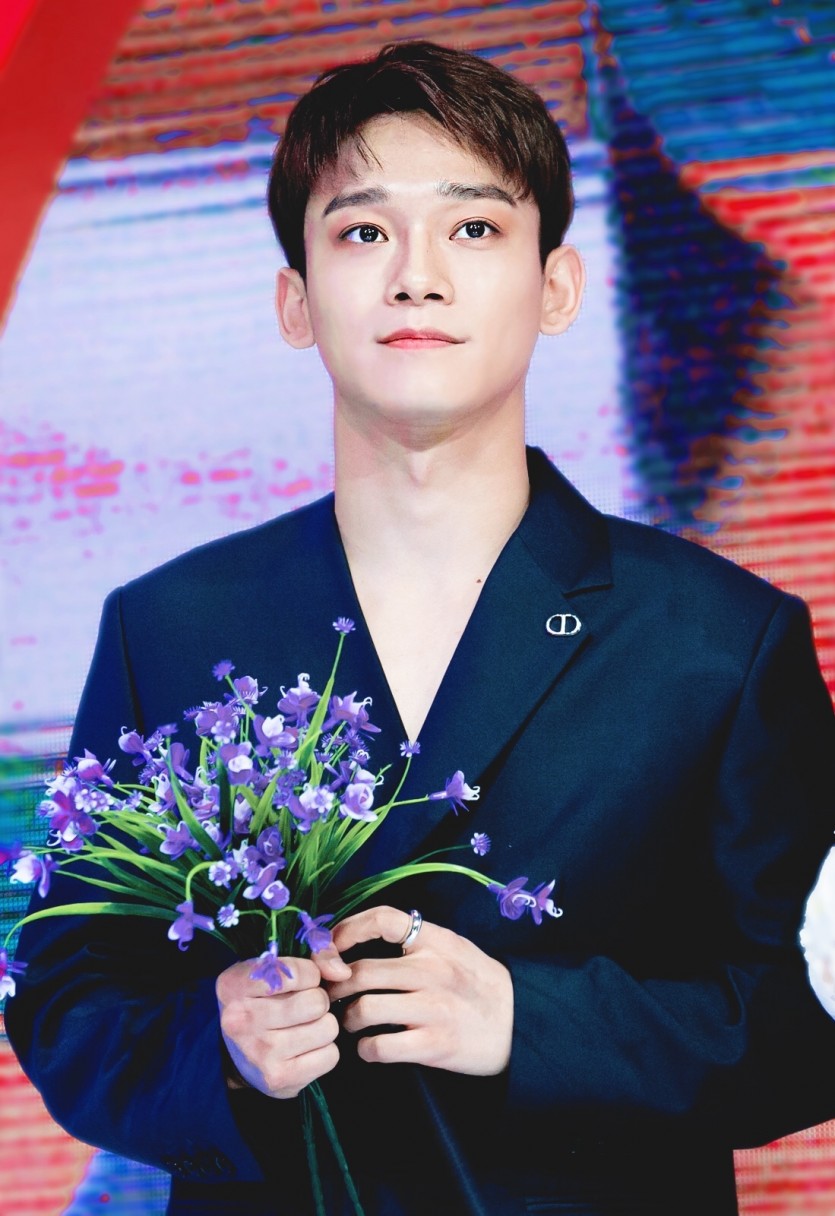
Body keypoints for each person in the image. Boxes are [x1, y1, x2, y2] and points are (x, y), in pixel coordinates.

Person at [6, 39, 835, 1216]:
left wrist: (524, 1020)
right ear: (295, 300)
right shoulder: (168, 625)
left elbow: (807, 1017)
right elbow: (64, 993)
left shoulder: (720, 639)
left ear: (556, 286)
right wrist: (217, 1041)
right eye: (362, 232)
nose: (416, 276)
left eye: (474, 227)